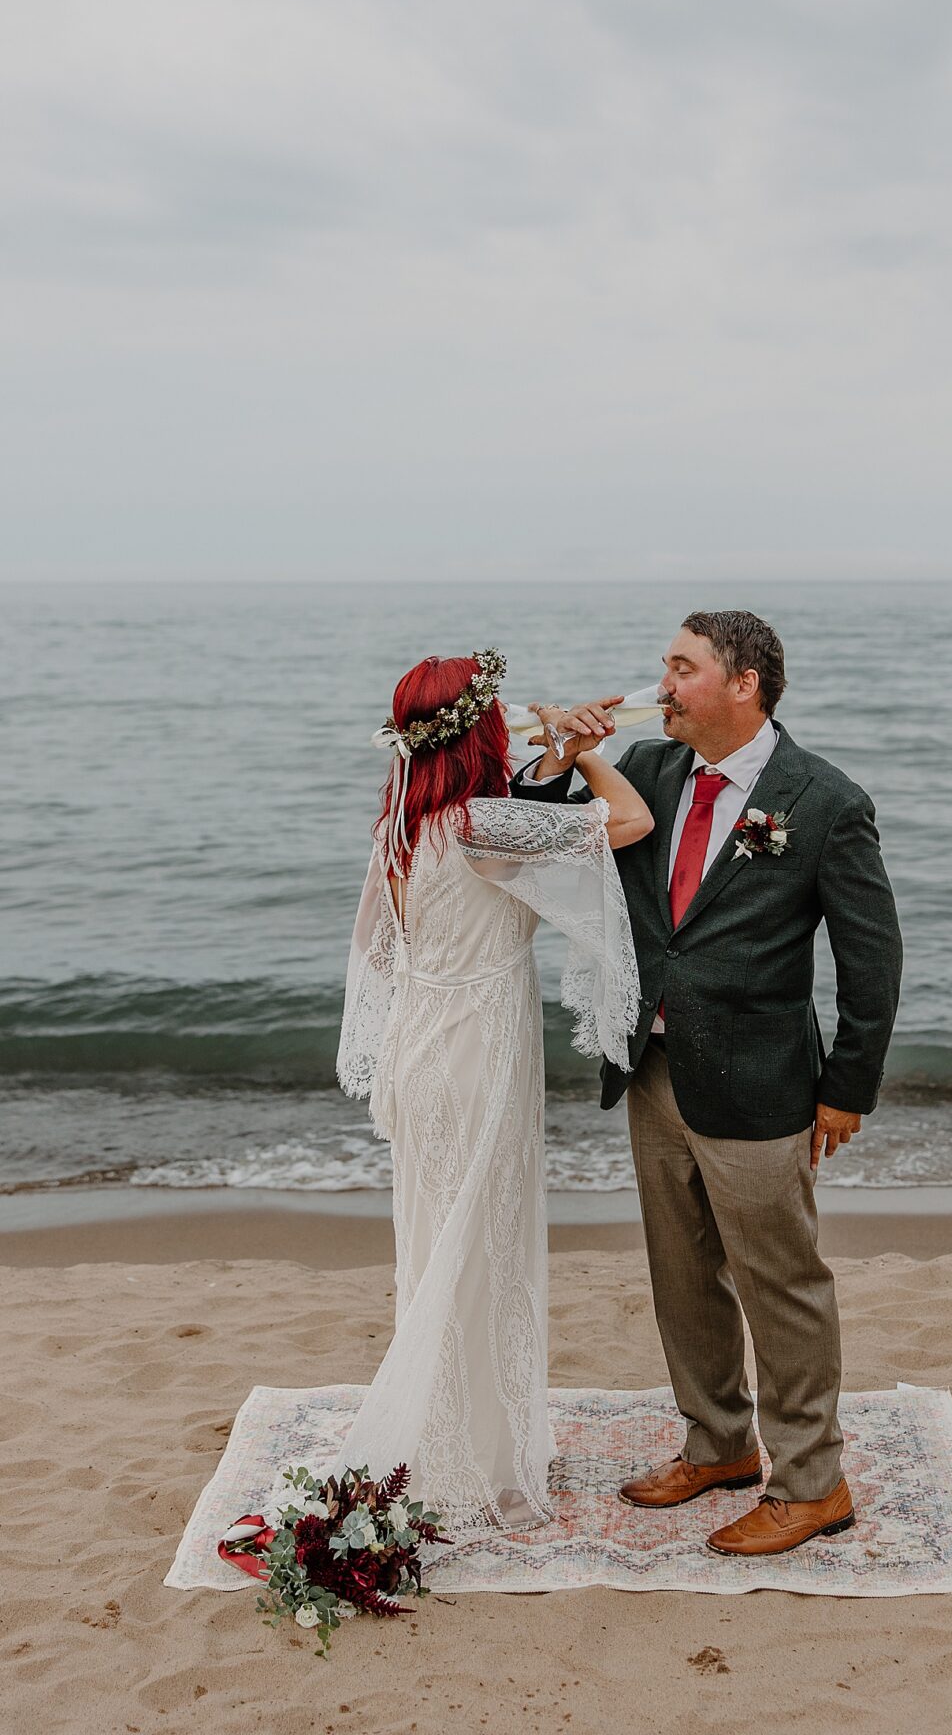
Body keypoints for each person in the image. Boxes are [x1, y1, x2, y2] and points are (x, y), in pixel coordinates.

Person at [516, 608, 903, 1558]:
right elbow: (539, 827)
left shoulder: (824, 800)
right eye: (665, 666)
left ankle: (812, 1484)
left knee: (782, 1285)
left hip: (762, 1083)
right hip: (652, 1070)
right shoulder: (647, 768)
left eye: (682, 668)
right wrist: (565, 753)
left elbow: (872, 958)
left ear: (744, 683)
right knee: (682, 1275)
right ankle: (720, 1445)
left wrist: (847, 1088)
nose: (663, 686)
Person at [335, 649, 649, 1531]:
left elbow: (379, 947)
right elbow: (630, 819)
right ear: (477, 732)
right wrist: (589, 754)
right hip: (478, 1058)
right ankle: (480, 1463)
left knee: (442, 1251)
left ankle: (455, 1442)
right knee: (486, 1253)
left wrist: (555, 752)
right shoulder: (481, 825)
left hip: (421, 1049)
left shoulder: (405, 824)